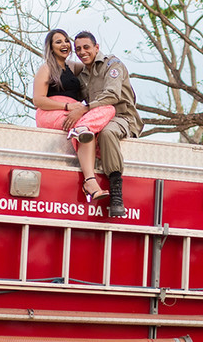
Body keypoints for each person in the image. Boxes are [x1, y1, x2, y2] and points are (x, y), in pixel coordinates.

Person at [32, 28, 116, 204]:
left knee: (108, 109)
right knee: (85, 130)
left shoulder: (73, 67)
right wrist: (67, 106)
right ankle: (90, 181)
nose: (64, 44)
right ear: (51, 47)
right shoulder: (46, 68)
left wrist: (113, 65)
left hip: (75, 114)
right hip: (51, 112)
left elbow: (91, 62)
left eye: (66, 41)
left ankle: (82, 130)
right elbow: (38, 100)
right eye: (58, 41)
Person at [73, 31, 142, 217]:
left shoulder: (113, 65)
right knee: (83, 132)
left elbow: (113, 95)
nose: (82, 52)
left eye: (86, 47)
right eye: (77, 49)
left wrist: (86, 108)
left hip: (121, 118)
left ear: (96, 47)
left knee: (107, 133)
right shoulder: (82, 76)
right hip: (97, 119)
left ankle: (117, 193)